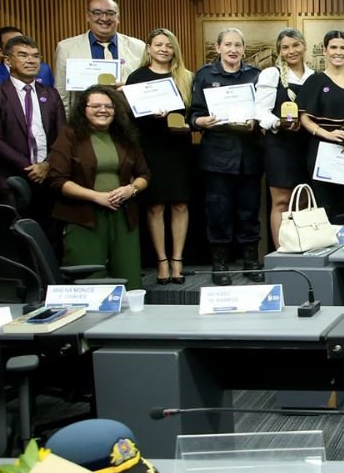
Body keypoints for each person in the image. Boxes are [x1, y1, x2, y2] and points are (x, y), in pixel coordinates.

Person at [47, 85, 150, 290]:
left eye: (108, 106)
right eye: (95, 105)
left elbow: (144, 174)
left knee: (129, 279)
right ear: (83, 109)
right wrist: (95, 197)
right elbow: (56, 179)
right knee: (90, 281)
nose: (102, 110)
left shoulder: (124, 136)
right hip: (83, 216)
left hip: (123, 215)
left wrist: (132, 189)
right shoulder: (70, 135)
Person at [189, 27, 264, 285]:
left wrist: (257, 121)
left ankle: (251, 262)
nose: (233, 50)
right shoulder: (205, 75)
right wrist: (201, 121)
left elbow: (264, 110)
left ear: (244, 49)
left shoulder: (256, 75)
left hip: (249, 155)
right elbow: (193, 114)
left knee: (249, 212)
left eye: (238, 45)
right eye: (228, 44)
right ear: (218, 48)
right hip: (217, 157)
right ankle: (219, 265)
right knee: (218, 213)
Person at [125, 28, 194, 284]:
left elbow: (194, 114)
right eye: (158, 44)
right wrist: (147, 114)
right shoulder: (137, 77)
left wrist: (190, 125)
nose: (164, 49)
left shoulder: (186, 77)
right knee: (155, 205)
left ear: (175, 49)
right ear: (149, 48)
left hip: (178, 148)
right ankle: (161, 261)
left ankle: (178, 260)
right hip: (149, 148)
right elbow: (128, 116)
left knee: (180, 204)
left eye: (168, 45)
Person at [0, 35, 65, 231]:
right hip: (14, 178)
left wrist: (46, 165)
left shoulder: (50, 94)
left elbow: (62, 135)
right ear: (8, 60)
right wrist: (31, 168)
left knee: (51, 237)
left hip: (49, 177)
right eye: (23, 55)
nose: (31, 61)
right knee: (18, 237)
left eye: (36, 56)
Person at [297, 30, 344, 231]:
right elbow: (304, 118)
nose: (338, 52)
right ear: (325, 50)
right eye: (333, 47)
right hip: (322, 149)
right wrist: (327, 134)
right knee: (325, 204)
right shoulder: (314, 80)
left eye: (343, 48)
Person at [255, 28, 314, 251]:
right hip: (280, 145)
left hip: (306, 145)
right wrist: (278, 123)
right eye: (285, 47)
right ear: (279, 51)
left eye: (295, 45)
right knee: (281, 201)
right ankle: (282, 253)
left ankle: (304, 250)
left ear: (304, 46)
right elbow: (260, 111)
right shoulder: (271, 74)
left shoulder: (314, 76)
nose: (291, 51)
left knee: (303, 201)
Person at [0, 27, 55, 160]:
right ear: (1, 52)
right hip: (10, 162)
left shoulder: (44, 70)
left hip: (46, 159)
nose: (29, 60)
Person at [53, 0, 145, 112]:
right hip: (84, 123)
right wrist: (67, 127)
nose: (104, 18)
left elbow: (144, 88)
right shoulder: (66, 48)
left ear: (118, 17)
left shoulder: (138, 47)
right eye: (97, 13)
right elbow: (62, 96)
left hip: (127, 121)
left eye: (110, 13)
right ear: (88, 16)